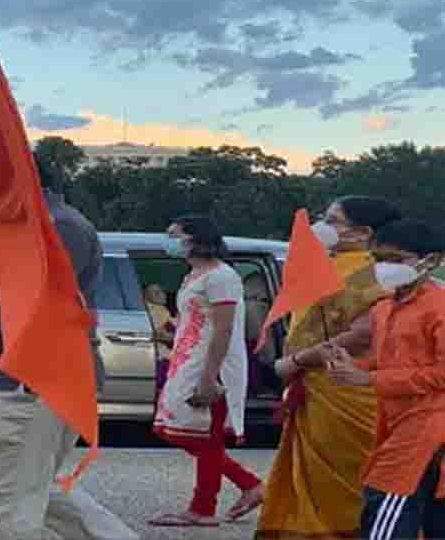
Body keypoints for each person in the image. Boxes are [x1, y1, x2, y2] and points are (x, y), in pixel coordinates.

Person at [0, 157, 135, 540]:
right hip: (10, 384)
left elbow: (37, 298)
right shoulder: (28, 227)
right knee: (32, 492)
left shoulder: (58, 226)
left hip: (22, 386)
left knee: (1, 511)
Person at [255, 196, 403, 539]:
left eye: (333, 220)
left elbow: (365, 331)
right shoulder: (330, 265)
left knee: (347, 475)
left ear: (362, 232)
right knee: (319, 478)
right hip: (321, 387)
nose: (321, 226)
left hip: (348, 389)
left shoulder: (373, 270)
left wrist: (295, 361)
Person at [325, 218, 445, 540]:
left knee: (388, 507)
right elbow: (394, 359)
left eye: (395, 259)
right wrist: (356, 367)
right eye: (378, 259)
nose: (384, 267)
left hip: (428, 425)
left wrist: (369, 380)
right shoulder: (383, 308)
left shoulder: (439, 307)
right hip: (398, 420)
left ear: (431, 261)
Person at [150, 214, 263, 528]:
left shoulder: (221, 276)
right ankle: (247, 486)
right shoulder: (194, 274)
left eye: (175, 235)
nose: (169, 241)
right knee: (185, 431)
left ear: (197, 239)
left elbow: (224, 331)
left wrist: (208, 376)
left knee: (204, 435)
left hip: (211, 365)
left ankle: (204, 506)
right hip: (188, 361)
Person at [144, 284, 175, 391]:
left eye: (161, 291)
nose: (161, 295)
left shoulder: (161, 310)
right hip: (162, 359)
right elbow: (160, 334)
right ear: (146, 297)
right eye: (156, 293)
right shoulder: (156, 310)